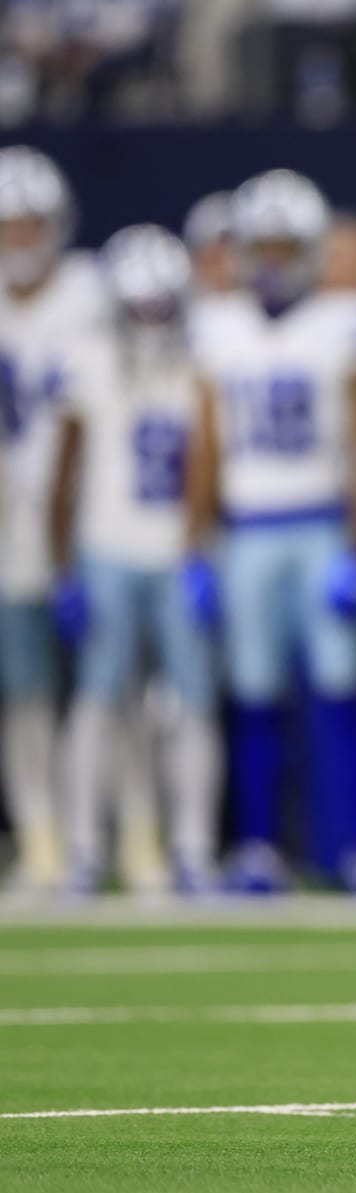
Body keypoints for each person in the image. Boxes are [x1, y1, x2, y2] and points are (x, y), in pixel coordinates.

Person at [187, 168, 356, 894]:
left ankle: (353, 847)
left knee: (340, 695)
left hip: (322, 527)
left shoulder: (345, 320)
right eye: (261, 247)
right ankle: (257, 848)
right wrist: (196, 551)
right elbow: (206, 446)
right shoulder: (217, 323)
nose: (272, 262)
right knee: (253, 695)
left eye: (285, 246)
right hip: (247, 531)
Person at [59, 224, 222, 895]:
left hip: (172, 553)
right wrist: (65, 563)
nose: (152, 318)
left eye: (161, 305)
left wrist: (198, 550)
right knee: (98, 701)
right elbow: (66, 470)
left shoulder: (198, 363)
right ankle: (84, 847)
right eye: (139, 306)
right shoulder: (89, 360)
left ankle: (193, 847)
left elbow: (206, 461)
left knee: (192, 704)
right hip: (105, 549)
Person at [0, 147, 107, 893]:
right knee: (28, 690)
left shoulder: (92, 290)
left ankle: (103, 833)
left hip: (99, 517)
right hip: (11, 524)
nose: (20, 237)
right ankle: (38, 831)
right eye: (9, 224)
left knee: (112, 689)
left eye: (31, 222)